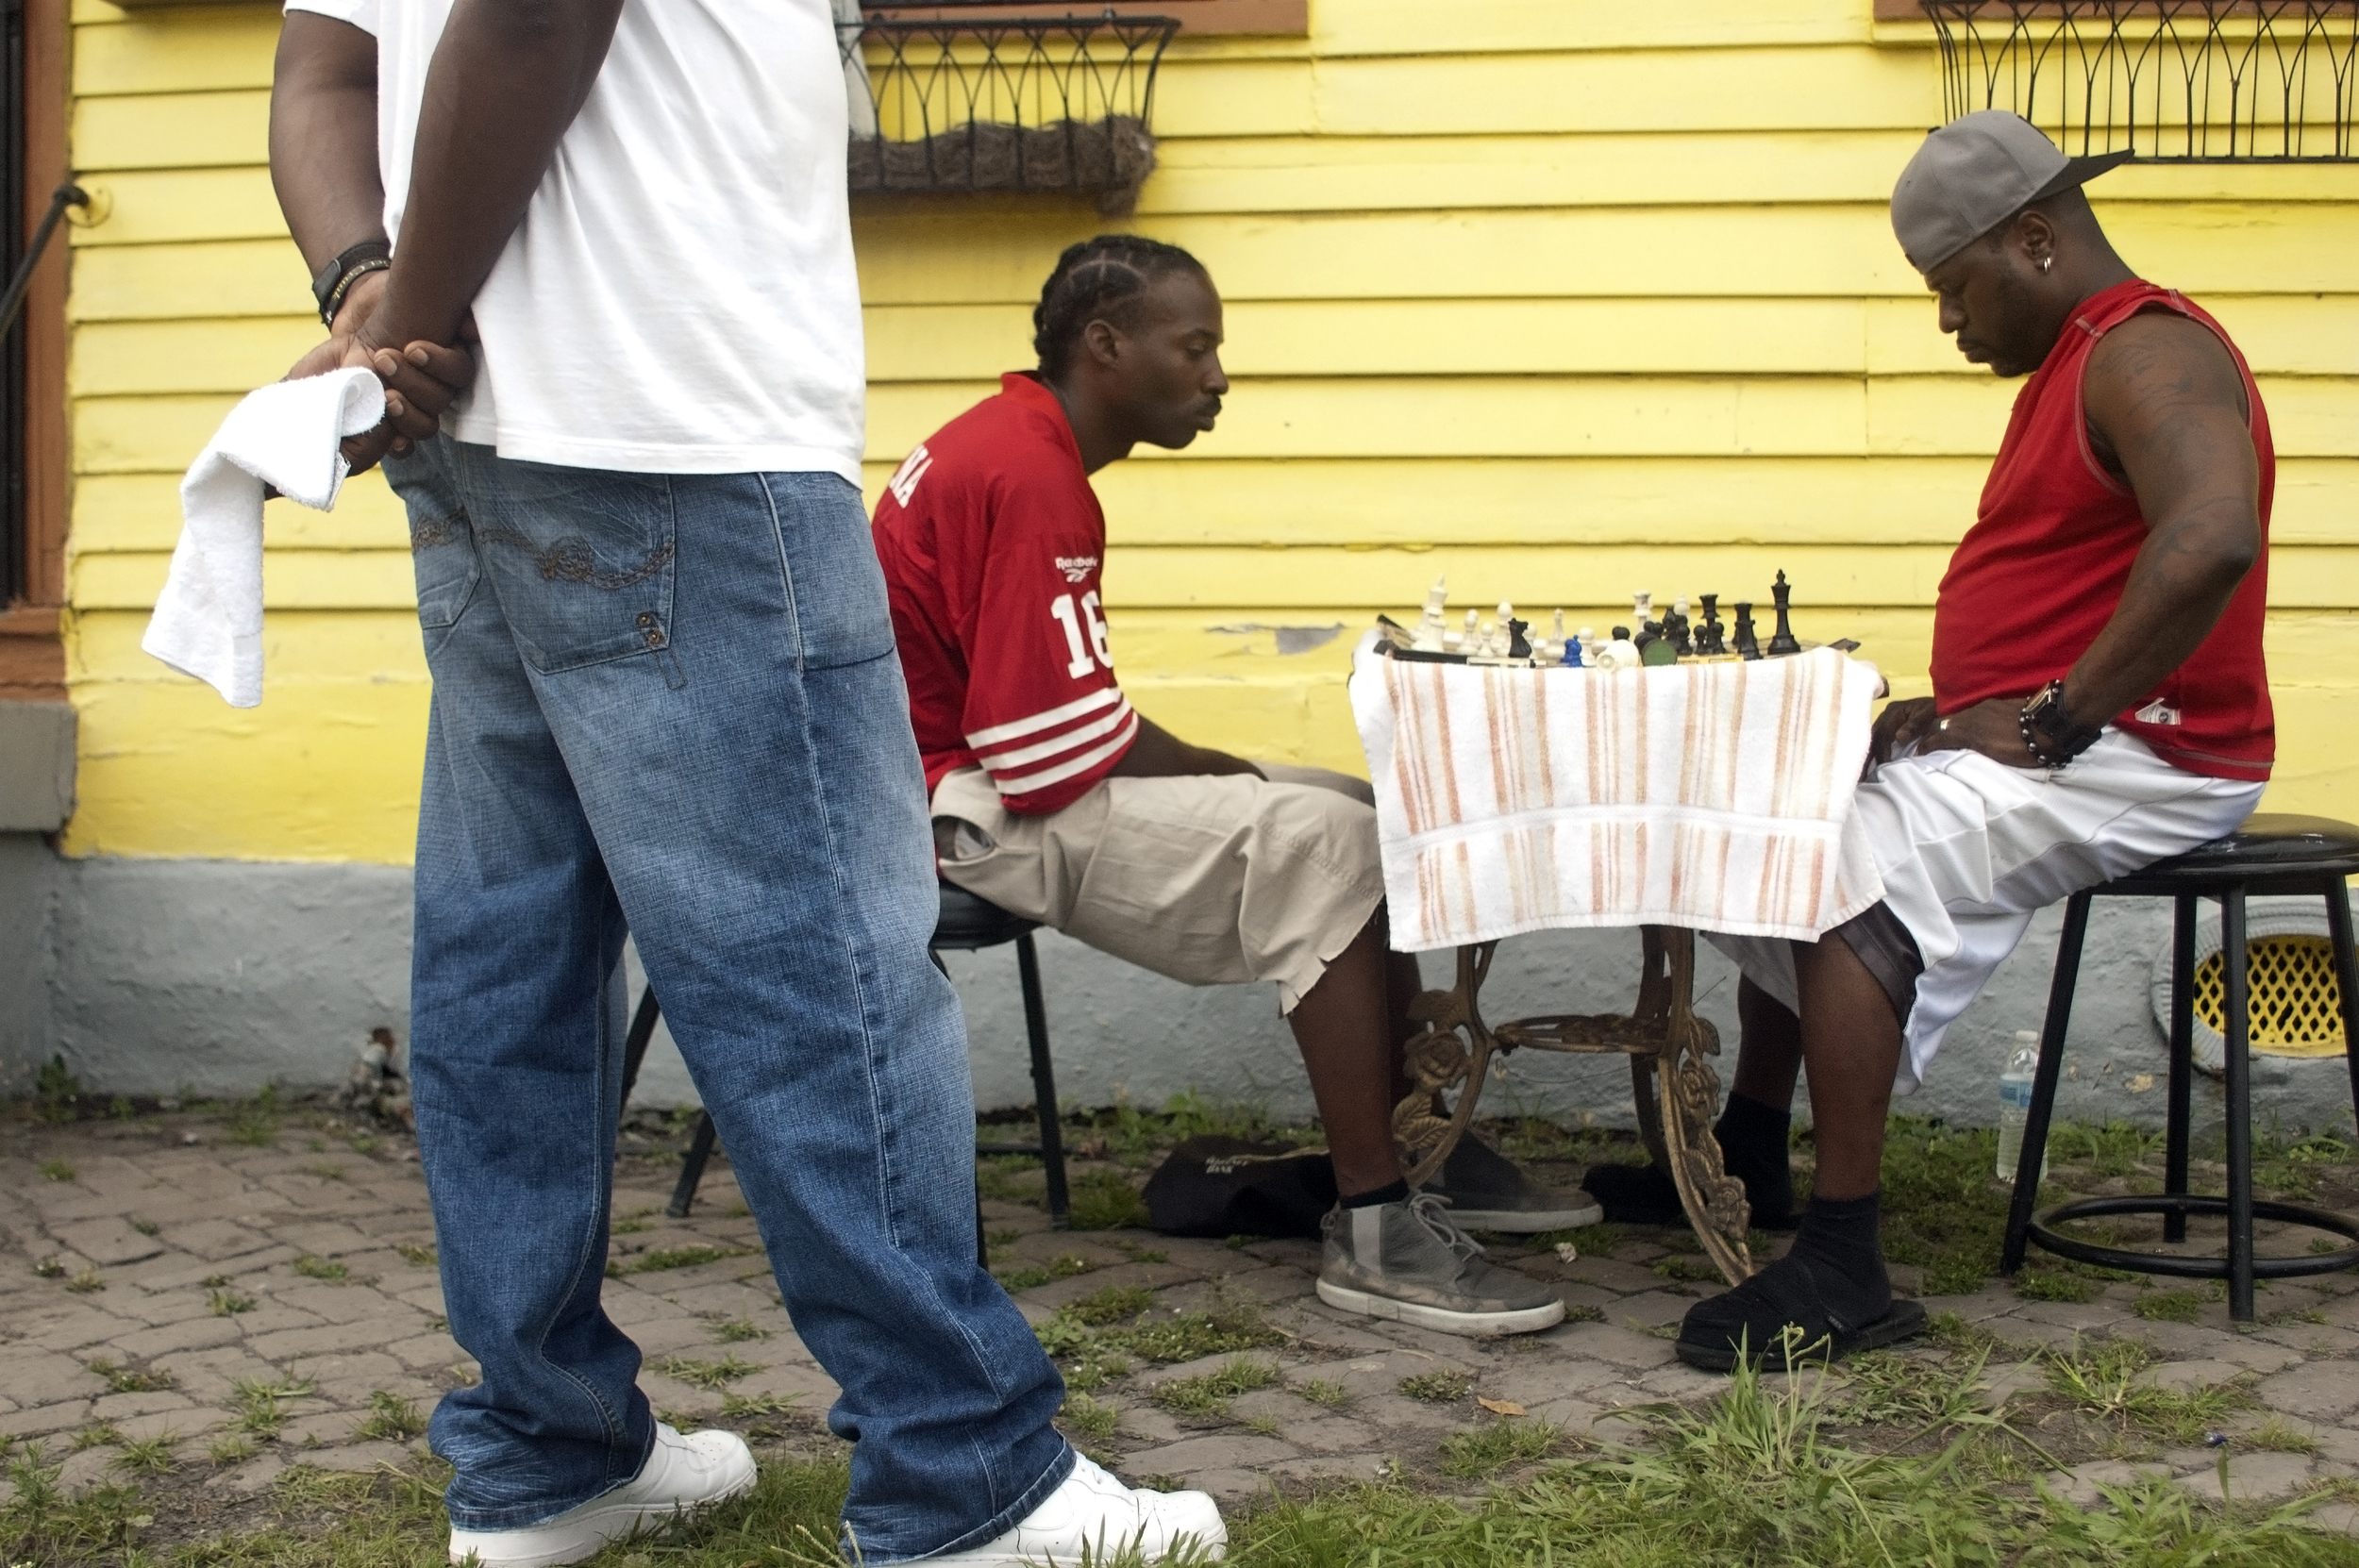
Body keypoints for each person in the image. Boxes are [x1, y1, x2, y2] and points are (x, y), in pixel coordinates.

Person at [267, 5, 1223, 1564]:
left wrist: (366, 293)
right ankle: (961, 1467)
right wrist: (408, 315)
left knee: (516, 958)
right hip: (673, 416)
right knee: (820, 966)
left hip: (481, 445)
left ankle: (545, 1452)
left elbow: (322, 64)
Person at [871, 235, 1581, 1342]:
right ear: (1104, 346)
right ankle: (1377, 1228)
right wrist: (1215, 769)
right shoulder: (1030, 472)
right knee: (1324, 844)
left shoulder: (1016, 443)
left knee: (1349, 804)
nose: (1217, 377)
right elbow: (1043, 752)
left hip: (972, 774)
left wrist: (1226, 768)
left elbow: (1052, 719)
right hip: (956, 810)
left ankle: (1413, 1141)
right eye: (1194, 346)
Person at [1665, 110, 2272, 1372]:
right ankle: (1751, 1148)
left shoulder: (2146, 349)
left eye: (1953, 289)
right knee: (1786, 819)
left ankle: (1844, 1264)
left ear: (2035, 241)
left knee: (1846, 875)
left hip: (2151, 752)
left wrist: (2063, 715)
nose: (1950, 324)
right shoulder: (2084, 361)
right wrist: (1942, 719)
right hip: (2080, 736)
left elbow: (2213, 533)